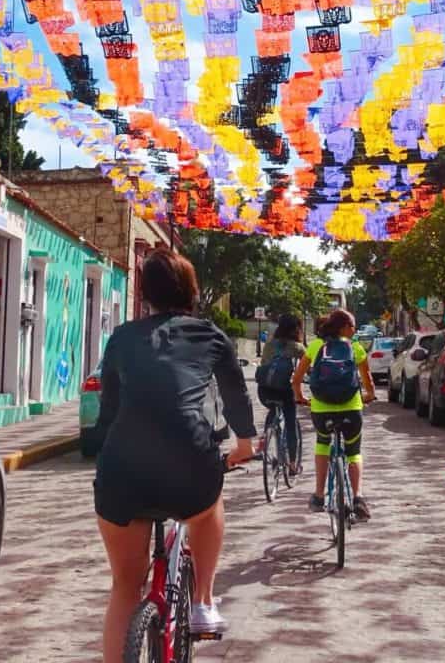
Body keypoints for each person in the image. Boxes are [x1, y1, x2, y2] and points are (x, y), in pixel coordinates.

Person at [94, 248, 256, 662]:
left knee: (124, 587)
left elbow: (108, 410)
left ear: (144, 293)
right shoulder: (211, 335)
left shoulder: (121, 337)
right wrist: (244, 444)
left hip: (121, 472)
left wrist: (106, 452)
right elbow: (235, 395)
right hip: (188, 467)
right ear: (191, 290)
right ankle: (202, 600)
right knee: (210, 501)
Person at [292, 308, 376, 521]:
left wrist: (300, 397)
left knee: (322, 442)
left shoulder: (315, 346)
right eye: (352, 326)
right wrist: (369, 395)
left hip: (322, 410)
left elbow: (297, 378)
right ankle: (358, 498)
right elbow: (368, 381)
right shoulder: (356, 348)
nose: (354, 330)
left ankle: (319, 495)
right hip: (351, 409)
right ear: (344, 328)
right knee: (354, 451)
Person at [257, 313, 306, 472]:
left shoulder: (269, 344)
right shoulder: (297, 347)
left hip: (264, 390)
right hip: (284, 391)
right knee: (290, 423)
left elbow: (264, 364)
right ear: (296, 329)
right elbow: (309, 368)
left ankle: (266, 437)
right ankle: (292, 465)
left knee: (273, 410)